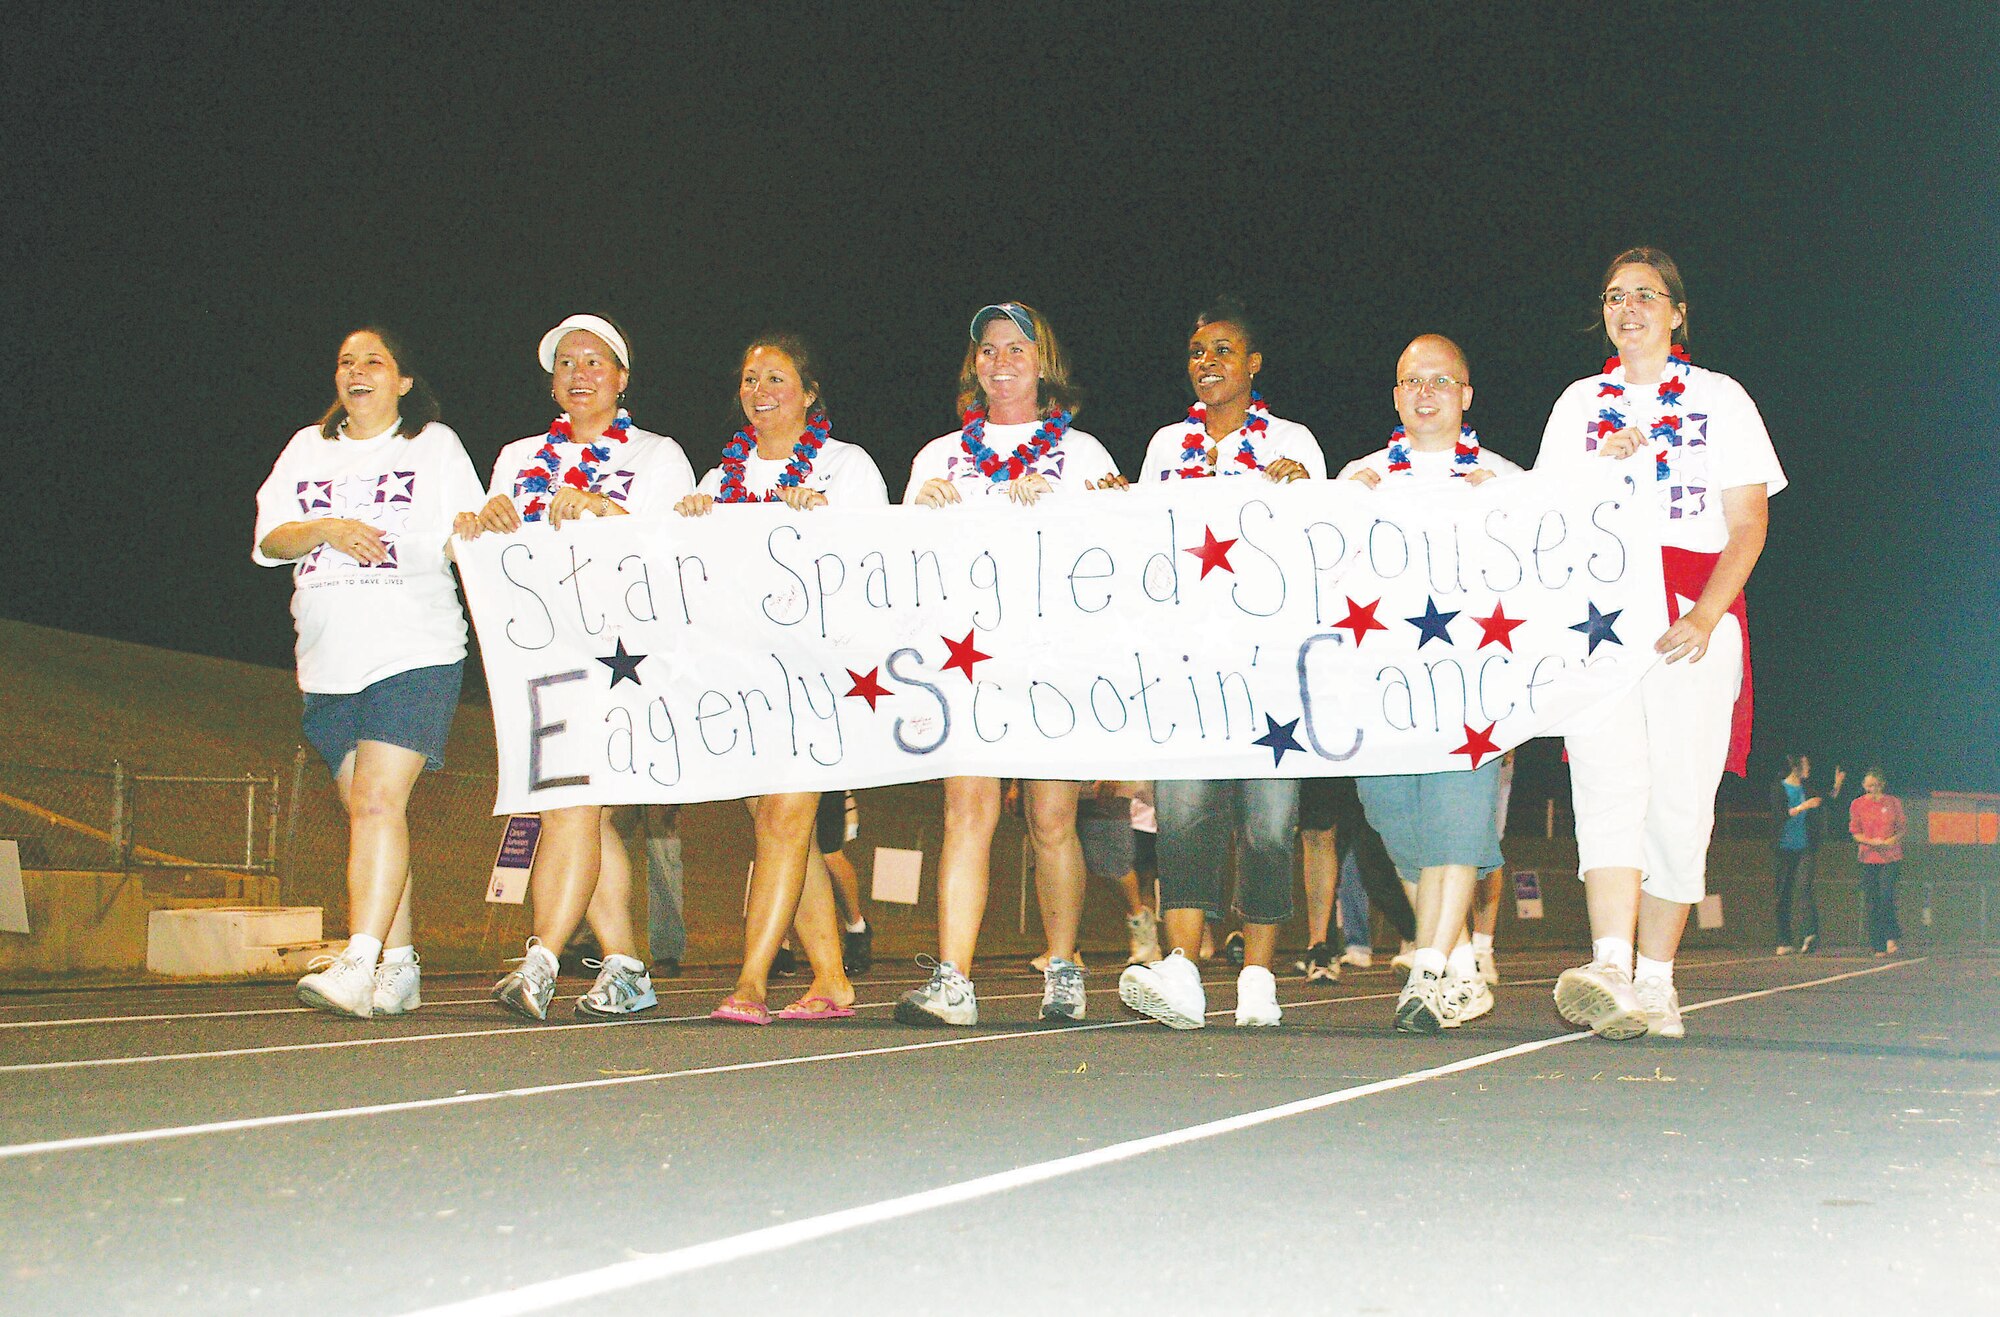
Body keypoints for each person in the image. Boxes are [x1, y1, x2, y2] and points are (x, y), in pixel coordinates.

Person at [1539, 247, 1786, 1041]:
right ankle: (1610, 964)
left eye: (1647, 294)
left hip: (1690, 617)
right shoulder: (1579, 404)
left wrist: (1707, 615)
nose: (1629, 308)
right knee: (1606, 786)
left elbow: (1748, 523)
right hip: (1600, 620)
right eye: (1615, 295)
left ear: (1678, 312)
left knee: (1680, 799)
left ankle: (1657, 978)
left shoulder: (1721, 397)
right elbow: (1543, 520)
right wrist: (1593, 472)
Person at [458, 313, 696, 1020]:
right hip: (539, 653)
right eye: (566, 362)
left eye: (594, 361)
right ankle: (626, 969)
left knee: (572, 805)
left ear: (622, 378)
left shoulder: (657, 455)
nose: (579, 373)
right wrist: (479, 528)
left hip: (623, 656)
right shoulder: (516, 457)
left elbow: (677, 553)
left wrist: (603, 507)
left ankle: (541, 961)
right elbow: (493, 549)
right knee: (581, 815)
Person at [896, 301, 1124, 1027]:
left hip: (1051, 658)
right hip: (967, 659)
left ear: (1043, 362)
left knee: (1052, 819)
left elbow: (1116, 553)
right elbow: (903, 564)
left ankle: (1063, 965)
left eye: (1016, 348)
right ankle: (954, 980)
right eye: (989, 349)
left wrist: (1071, 512)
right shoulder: (938, 456)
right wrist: (921, 514)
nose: (1001, 361)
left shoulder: (1083, 454)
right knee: (967, 811)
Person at [257, 327, 484, 1019]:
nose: (357, 371)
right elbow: (271, 538)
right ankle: (400, 963)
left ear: (403, 381)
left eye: (374, 362)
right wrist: (326, 527)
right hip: (328, 663)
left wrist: (485, 530)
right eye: (346, 362)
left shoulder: (433, 446)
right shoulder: (307, 447)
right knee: (370, 814)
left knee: (380, 802)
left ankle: (358, 960)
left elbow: (467, 531)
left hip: (413, 652)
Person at [1119, 299, 1323, 1029]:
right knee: (1184, 817)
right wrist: (1116, 508)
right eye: (1197, 352)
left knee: (1268, 822)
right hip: (1188, 664)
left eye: (1223, 350)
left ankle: (1259, 976)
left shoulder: (1292, 443)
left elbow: (1318, 544)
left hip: (1269, 667)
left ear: (1254, 363)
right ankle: (1181, 967)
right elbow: (1143, 543)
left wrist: (1303, 494)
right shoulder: (1164, 446)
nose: (1207, 363)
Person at [676, 332, 884, 1023]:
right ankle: (832, 979)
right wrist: (689, 526)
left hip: (819, 672)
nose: (758, 390)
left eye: (776, 378)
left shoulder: (846, 467)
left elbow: (875, 562)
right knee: (781, 831)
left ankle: (751, 981)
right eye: (749, 378)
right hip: (740, 675)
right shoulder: (717, 481)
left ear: (810, 391)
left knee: (786, 819)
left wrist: (825, 526)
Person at [1334, 334, 1520, 1033]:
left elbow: (1538, 573)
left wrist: (1509, 510)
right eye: (1413, 380)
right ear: (1395, 395)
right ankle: (1460, 962)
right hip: (1384, 688)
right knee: (1397, 824)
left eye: (1441, 380)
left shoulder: (1502, 477)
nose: (1426, 392)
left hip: (1469, 684)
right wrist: (1338, 510)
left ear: (1466, 394)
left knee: (1456, 827)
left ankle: (1430, 969)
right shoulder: (1361, 477)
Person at [1076, 783, 1162, 965]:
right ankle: (1066, 949)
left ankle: (1141, 926)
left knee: (1113, 863)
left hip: (1105, 790)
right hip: (1058, 785)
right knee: (1059, 858)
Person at [1469, 751, 1517, 985]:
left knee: (1485, 849)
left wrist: (1509, 744)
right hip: (1442, 751)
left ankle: (1482, 948)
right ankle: (1441, 945)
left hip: (1487, 751)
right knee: (1444, 846)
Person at [1849, 768, 1908, 956]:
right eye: (1868, 786)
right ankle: (1877, 943)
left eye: (1874, 786)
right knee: (1872, 900)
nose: (1871, 789)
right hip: (1868, 858)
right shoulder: (1857, 804)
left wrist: (1891, 840)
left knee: (1886, 896)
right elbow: (1855, 832)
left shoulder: (1893, 802)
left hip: (1890, 857)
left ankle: (1891, 936)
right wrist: (1870, 841)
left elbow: (1902, 829)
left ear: (1881, 785)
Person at [1771, 753, 1824, 954]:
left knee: (1804, 888)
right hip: (1783, 848)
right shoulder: (1779, 788)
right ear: (1796, 768)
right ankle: (1784, 940)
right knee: (1783, 894)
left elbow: (1824, 800)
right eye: (1805, 765)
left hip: (1805, 848)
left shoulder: (1808, 788)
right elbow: (1780, 815)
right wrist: (1803, 806)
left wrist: (1837, 786)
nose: (1808, 768)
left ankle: (1810, 934)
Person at [819, 791, 873, 975]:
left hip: (823, 786)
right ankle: (780, 944)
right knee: (781, 855)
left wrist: (847, 799)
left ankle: (857, 928)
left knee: (829, 854)